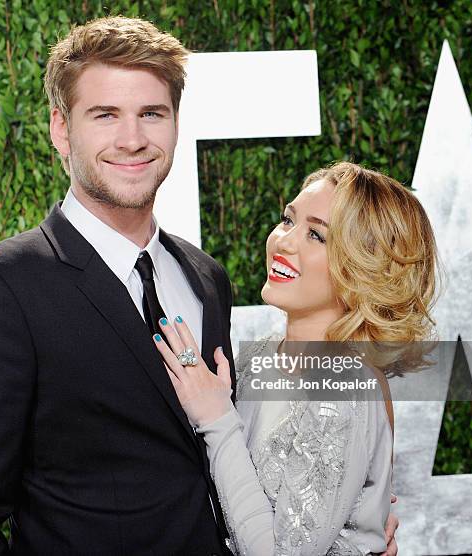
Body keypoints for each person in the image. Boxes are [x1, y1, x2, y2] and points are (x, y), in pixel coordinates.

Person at [0, 16, 235, 555]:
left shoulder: (206, 277)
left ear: (176, 123)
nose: (133, 139)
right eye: (105, 115)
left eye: (151, 114)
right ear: (61, 129)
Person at [154, 162, 438, 555]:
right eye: (288, 220)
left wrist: (216, 419)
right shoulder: (258, 358)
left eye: (317, 235)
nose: (284, 242)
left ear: (362, 269)